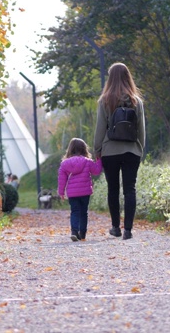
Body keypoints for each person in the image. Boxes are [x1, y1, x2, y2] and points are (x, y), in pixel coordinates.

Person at [93, 62, 146, 240]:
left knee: (113, 189)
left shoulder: (105, 100)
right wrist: (140, 148)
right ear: (128, 77)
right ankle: (128, 230)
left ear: (110, 78)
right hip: (132, 150)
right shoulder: (135, 101)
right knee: (130, 189)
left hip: (110, 151)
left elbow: (100, 127)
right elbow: (141, 128)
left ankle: (115, 227)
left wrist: (97, 149)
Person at [58, 138, 103, 242]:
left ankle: (74, 232)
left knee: (74, 211)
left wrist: (61, 192)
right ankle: (82, 234)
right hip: (85, 192)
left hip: (72, 193)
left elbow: (62, 179)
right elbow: (97, 170)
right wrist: (99, 159)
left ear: (70, 149)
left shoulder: (65, 164)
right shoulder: (87, 162)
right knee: (83, 212)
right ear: (84, 149)